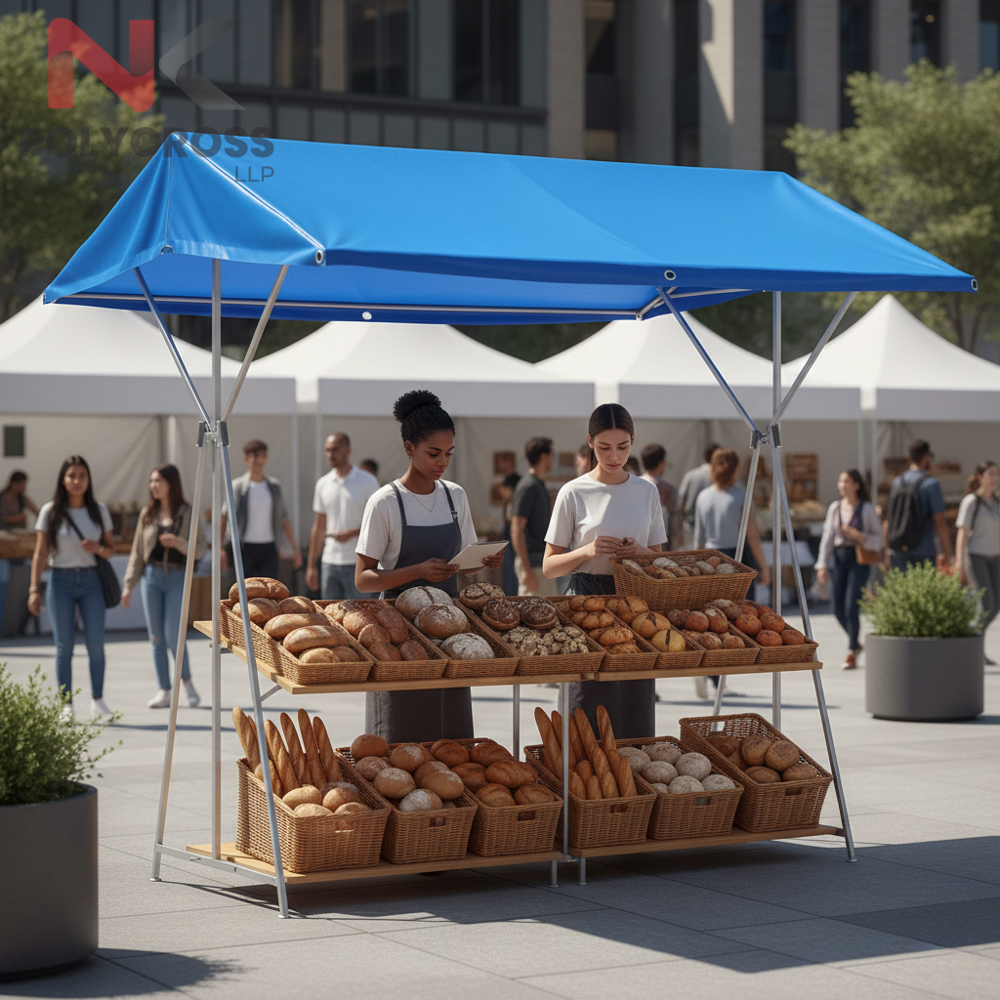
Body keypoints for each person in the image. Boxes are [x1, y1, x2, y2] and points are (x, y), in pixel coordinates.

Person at [356, 390, 505, 741]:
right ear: (409, 448)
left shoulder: (456, 496)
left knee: (448, 734)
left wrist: (483, 560)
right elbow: (363, 579)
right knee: (401, 733)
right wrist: (418, 572)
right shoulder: (385, 502)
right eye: (433, 453)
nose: (442, 462)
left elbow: (464, 564)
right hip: (397, 634)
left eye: (448, 454)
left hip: (451, 631)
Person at [543, 403, 666, 738]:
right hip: (584, 604)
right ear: (590, 442)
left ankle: (634, 784)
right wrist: (587, 550)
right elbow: (550, 566)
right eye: (604, 448)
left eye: (623, 447)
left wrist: (639, 553)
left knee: (633, 705)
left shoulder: (646, 491)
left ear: (633, 441)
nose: (614, 456)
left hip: (636, 607)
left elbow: (658, 560)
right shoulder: (573, 492)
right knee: (585, 703)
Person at [28, 456, 115, 719]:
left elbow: (111, 550)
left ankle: (98, 701)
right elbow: (40, 553)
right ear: (63, 480)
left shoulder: (98, 510)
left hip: (92, 581)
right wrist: (33, 589)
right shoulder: (50, 511)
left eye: (82, 476)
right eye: (72, 476)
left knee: (96, 646)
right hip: (60, 581)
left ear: (89, 480)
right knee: (64, 647)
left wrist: (97, 548)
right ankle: (66, 704)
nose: (77, 481)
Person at [122, 464, 207, 708]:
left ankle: (187, 682)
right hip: (151, 577)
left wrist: (179, 542)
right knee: (156, 636)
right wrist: (128, 585)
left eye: (158, 481)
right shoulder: (147, 514)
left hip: (177, 577)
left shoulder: (188, 512)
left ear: (171, 483)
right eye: (151, 481)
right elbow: (137, 553)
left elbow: (201, 548)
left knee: (174, 635)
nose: (153, 486)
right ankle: (164, 689)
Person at [693, 447, 772, 698]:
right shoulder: (741, 496)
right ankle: (718, 677)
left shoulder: (703, 497)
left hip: (710, 560)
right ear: (735, 469)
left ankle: (710, 673)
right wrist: (764, 567)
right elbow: (752, 537)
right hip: (736, 560)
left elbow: (698, 539)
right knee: (732, 622)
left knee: (711, 619)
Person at [815, 470, 884, 670]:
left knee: (852, 606)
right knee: (837, 607)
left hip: (859, 558)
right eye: (841, 481)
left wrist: (860, 536)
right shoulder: (835, 508)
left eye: (847, 481)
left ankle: (852, 650)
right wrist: (822, 564)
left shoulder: (866, 509)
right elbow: (827, 538)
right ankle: (855, 640)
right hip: (839, 558)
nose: (842, 485)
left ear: (857, 485)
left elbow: (878, 540)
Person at [307, 433, 380, 600]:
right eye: (327, 450)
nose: (330, 454)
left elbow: (379, 523)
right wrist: (311, 566)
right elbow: (319, 526)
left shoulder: (367, 481)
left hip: (359, 563)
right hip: (329, 562)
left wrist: (353, 533)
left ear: (348, 451)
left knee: (361, 617)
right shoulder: (323, 484)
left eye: (335, 449)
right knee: (331, 617)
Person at [221, 440, 301, 580]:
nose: (259, 460)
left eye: (263, 456)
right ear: (247, 459)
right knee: (243, 590)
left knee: (269, 590)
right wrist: (221, 548)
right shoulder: (237, 487)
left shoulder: (274, 486)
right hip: (243, 547)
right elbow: (225, 516)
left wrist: (295, 548)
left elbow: (284, 518)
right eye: (256, 456)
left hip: (269, 546)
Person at [954, 461, 1000, 656]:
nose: (995, 479)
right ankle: (972, 647)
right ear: (980, 477)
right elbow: (962, 533)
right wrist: (959, 562)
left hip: (995, 556)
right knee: (986, 603)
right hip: (976, 556)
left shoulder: (997, 502)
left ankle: (974, 642)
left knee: (996, 605)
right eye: (990, 474)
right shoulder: (971, 501)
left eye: (997, 475)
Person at [885, 440, 951, 572]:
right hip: (923, 548)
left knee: (902, 590)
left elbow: (889, 518)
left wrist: (887, 548)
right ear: (927, 457)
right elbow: (940, 521)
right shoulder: (931, 484)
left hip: (899, 545)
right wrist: (947, 552)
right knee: (923, 591)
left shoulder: (898, 482)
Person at [510, 436, 558, 597]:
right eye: (552, 454)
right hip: (532, 564)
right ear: (544, 456)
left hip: (541, 563)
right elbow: (516, 527)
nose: (553, 459)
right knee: (532, 616)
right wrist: (527, 570)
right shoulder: (528, 486)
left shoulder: (538, 484)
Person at [1, 471, 39, 635]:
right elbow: (3, 517)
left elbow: (36, 510)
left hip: (19, 548)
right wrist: (18, 518)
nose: (23, 488)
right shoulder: (3, 497)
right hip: (4, 547)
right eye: (21, 484)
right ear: (14, 483)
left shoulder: (22, 498)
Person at [640, 443, 683, 550]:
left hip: (637, 543)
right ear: (661, 463)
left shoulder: (633, 485)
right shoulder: (668, 490)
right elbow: (674, 521)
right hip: (662, 544)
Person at [678, 443, 720, 546]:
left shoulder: (690, 475)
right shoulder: (719, 477)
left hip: (689, 527)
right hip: (712, 531)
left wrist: (680, 529)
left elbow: (680, 503)